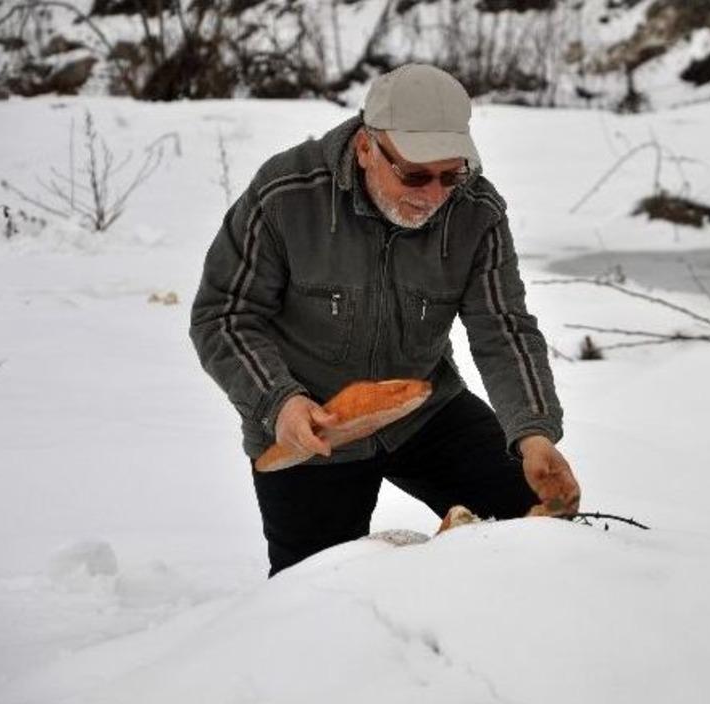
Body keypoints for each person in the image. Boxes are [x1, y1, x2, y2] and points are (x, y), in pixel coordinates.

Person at [189, 63, 580, 577]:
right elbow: (224, 315)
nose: (434, 195)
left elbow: (502, 328)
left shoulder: (476, 212)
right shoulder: (287, 195)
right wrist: (279, 402)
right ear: (367, 147)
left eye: (450, 174)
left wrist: (533, 432)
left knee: (544, 530)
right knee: (313, 596)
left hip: (421, 405)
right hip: (311, 428)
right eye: (415, 174)